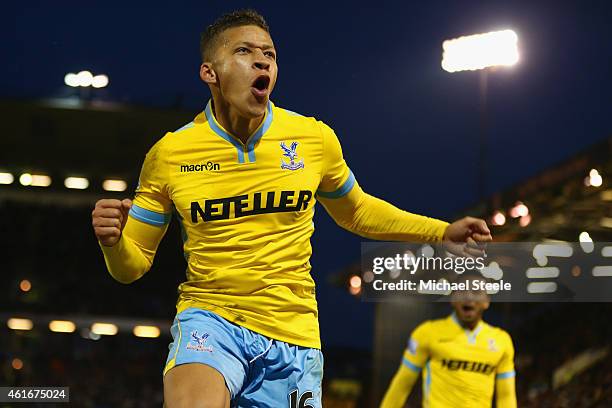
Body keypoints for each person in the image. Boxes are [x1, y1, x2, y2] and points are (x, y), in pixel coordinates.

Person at [91, 9, 492, 408]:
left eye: (270, 53)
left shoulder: (312, 139)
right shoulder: (170, 154)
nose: (263, 60)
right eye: (245, 51)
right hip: (210, 319)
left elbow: (357, 211)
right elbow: (132, 266)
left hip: (294, 333)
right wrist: (113, 242)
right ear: (209, 73)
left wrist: (440, 231)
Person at [380, 275, 517, 408]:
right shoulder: (427, 333)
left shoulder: (501, 340)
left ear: (487, 301)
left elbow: (506, 396)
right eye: (462, 290)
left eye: (476, 291)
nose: (468, 297)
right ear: (452, 298)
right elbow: (402, 384)